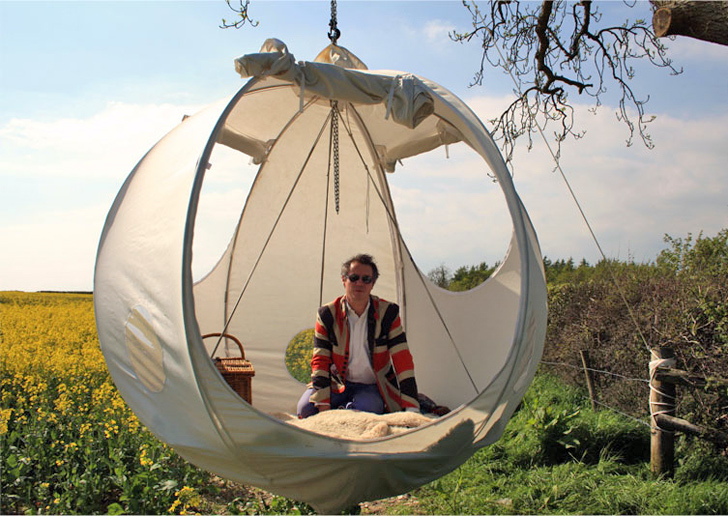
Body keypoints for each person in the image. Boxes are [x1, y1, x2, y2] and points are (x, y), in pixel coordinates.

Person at [297, 253, 420, 418]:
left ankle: (345, 410)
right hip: (335, 384)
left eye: (366, 279)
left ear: (373, 284)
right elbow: (320, 360)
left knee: (366, 411)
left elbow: (402, 359)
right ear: (344, 280)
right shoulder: (327, 314)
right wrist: (323, 403)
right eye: (354, 278)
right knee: (305, 410)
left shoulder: (388, 313)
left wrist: (411, 406)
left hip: (371, 386)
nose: (359, 283)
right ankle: (344, 408)